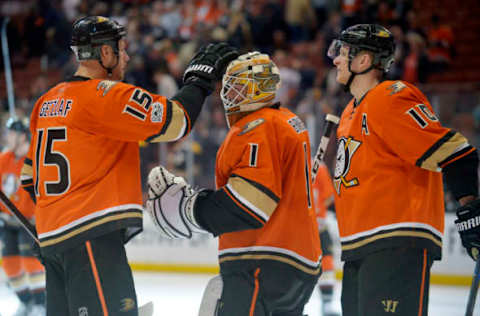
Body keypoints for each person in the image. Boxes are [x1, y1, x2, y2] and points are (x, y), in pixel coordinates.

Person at [19, 16, 237, 316]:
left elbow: (30, 178)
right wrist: (198, 80)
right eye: (122, 49)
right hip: (91, 239)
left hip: (53, 243)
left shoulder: (45, 103)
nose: (128, 56)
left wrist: (54, 227)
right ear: (105, 54)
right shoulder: (106, 95)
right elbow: (176, 122)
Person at [146, 51, 322, 316]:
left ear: (259, 88)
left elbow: (249, 205)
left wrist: (189, 208)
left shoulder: (256, 126)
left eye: (238, 87)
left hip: (262, 260)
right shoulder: (287, 121)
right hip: (297, 262)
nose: (229, 95)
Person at [326, 23, 479, 316]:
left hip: (395, 241)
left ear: (363, 60)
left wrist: (470, 210)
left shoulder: (390, 96)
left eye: (342, 52)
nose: (334, 59)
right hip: (360, 246)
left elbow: (457, 153)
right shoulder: (350, 111)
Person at [0, 118, 46, 316]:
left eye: (11, 133)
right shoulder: (4, 158)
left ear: (21, 136)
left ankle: (40, 303)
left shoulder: (34, 159)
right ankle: (26, 302)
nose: (6, 137)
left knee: (31, 262)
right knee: (10, 265)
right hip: (8, 221)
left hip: (30, 222)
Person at [312, 162, 339, 316]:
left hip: (297, 228)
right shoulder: (320, 168)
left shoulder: (287, 164)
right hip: (318, 226)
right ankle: (327, 304)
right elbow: (329, 198)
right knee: (326, 263)